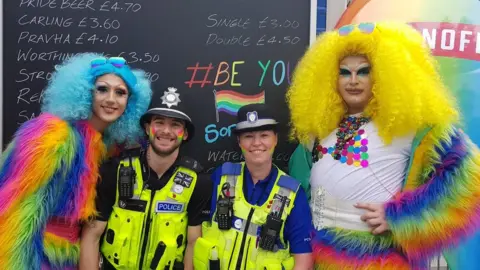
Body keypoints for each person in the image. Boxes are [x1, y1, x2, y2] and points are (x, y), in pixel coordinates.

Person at [287, 21, 480, 269]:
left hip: (377, 259)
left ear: (381, 75)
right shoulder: (318, 130)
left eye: (363, 71)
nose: (353, 80)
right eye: (344, 72)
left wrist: (402, 217)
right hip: (318, 256)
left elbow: (469, 179)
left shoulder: (408, 126)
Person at [0, 53, 152, 269]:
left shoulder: (108, 148)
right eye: (102, 89)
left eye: (120, 92)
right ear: (84, 92)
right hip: (36, 259)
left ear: (129, 103)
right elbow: (16, 215)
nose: (111, 99)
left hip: (72, 258)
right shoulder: (52, 136)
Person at [80, 87, 212, 270]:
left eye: (175, 125)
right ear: (147, 127)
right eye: (159, 122)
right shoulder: (115, 170)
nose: (166, 131)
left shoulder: (199, 181)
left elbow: (193, 243)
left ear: (186, 133)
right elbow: (92, 235)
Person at [193, 103, 314, 270]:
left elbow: (303, 261)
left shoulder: (292, 193)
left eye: (264, 135)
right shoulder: (221, 177)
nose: (257, 143)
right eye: (248, 136)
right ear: (239, 141)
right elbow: (194, 231)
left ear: (275, 139)